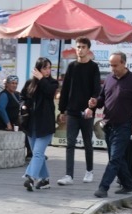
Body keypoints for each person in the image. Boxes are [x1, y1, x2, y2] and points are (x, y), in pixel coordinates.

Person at [92, 51, 132, 198]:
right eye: (111, 65)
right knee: (117, 158)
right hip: (109, 124)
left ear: (123, 63)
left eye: (115, 65)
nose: (113, 68)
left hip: (124, 126)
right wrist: (96, 102)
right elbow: (103, 98)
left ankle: (103, 187)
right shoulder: (109, 78)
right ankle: (128, 185)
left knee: (114, 159)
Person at [57, 38, 102, 185]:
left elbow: (96, 90)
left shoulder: (93, 67)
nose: (80, 49)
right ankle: (68, 175)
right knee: (70, 143)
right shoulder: (71, 67)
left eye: (83, 47)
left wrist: (91, 107)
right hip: (72, 111)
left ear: (88, 49)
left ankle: (89, 171)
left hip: (87, 112)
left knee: (88, 143)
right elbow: (65, 89)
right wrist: (62, 110)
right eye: (78, 47)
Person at [21, 58, 59, 191]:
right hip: (31, 124)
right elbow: (23, 98)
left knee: (37, 153)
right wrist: (24, 106)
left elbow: (49, 92)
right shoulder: (29, 83)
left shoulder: (52, 83)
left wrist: (42, 79)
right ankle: (45, 180)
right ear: (38, 69)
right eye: (44, 68)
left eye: (49, 68)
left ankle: (30, 177)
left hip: (45, 124)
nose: (47, 71)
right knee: (39, 154)